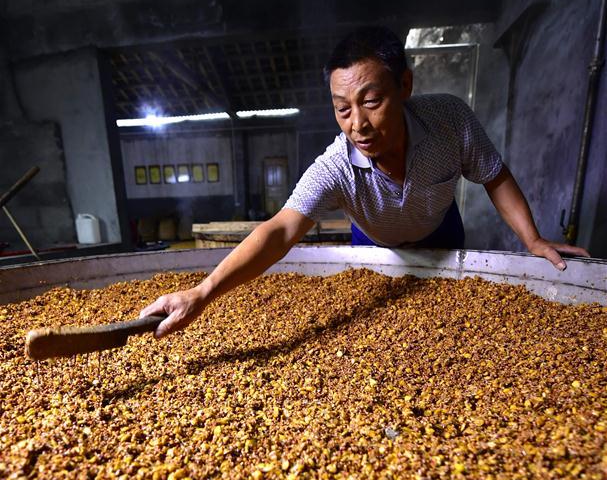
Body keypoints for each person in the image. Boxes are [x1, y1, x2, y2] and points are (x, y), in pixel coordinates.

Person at [140, 26, 590, 337]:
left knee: (448, 318)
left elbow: (494, 175)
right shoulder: (334, 167)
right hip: (373, 245)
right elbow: (279, 230)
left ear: (405, 86)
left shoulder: (449, 119)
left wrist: (530, 240)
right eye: (342, 109)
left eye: (371, 100)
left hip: (442, 233)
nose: (358, 124)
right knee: (379, 323)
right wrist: (202, 293)